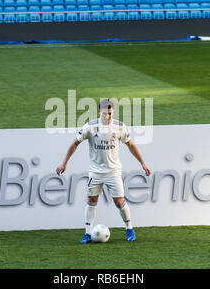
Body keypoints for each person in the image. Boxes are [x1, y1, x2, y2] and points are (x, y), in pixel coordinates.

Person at [56, 99, 151, 243]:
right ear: (99, 112)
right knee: (91, 200)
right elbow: (75, 143)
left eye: (111, 113)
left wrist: (143, 163)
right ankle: (87, 233)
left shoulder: (119, 127)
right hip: (95, 172)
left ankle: (129, 229)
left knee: (119, 202)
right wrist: (64, 163)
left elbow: (130, 145)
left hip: (113, 172)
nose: (108, 117)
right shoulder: (90, 126)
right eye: (106, 114)